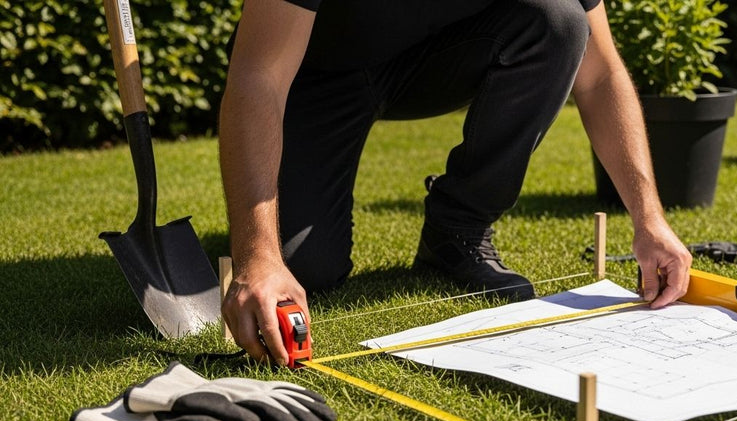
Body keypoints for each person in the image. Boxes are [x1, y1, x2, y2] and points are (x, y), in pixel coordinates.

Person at [219, 0, 693, 366]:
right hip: (314, 74)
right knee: (308, 269)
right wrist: (257, 254)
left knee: (560, 20)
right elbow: (258, 75)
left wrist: (649, 218)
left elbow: (600, 74)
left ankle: (456, 229)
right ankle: (264, 239)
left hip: (431, 61)